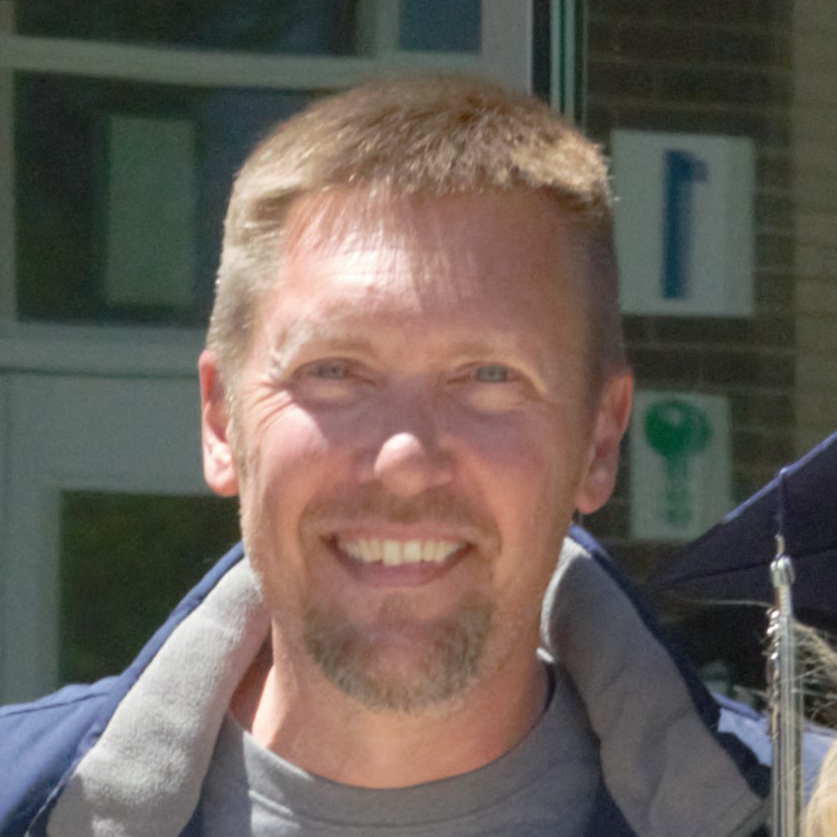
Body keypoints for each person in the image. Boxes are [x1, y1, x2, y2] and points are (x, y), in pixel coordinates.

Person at [0, 74, 823, 837]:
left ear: (598, 440)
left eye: (488, 376)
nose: (403, 458)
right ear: (221, 422)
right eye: (333, 371)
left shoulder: (805, 811)